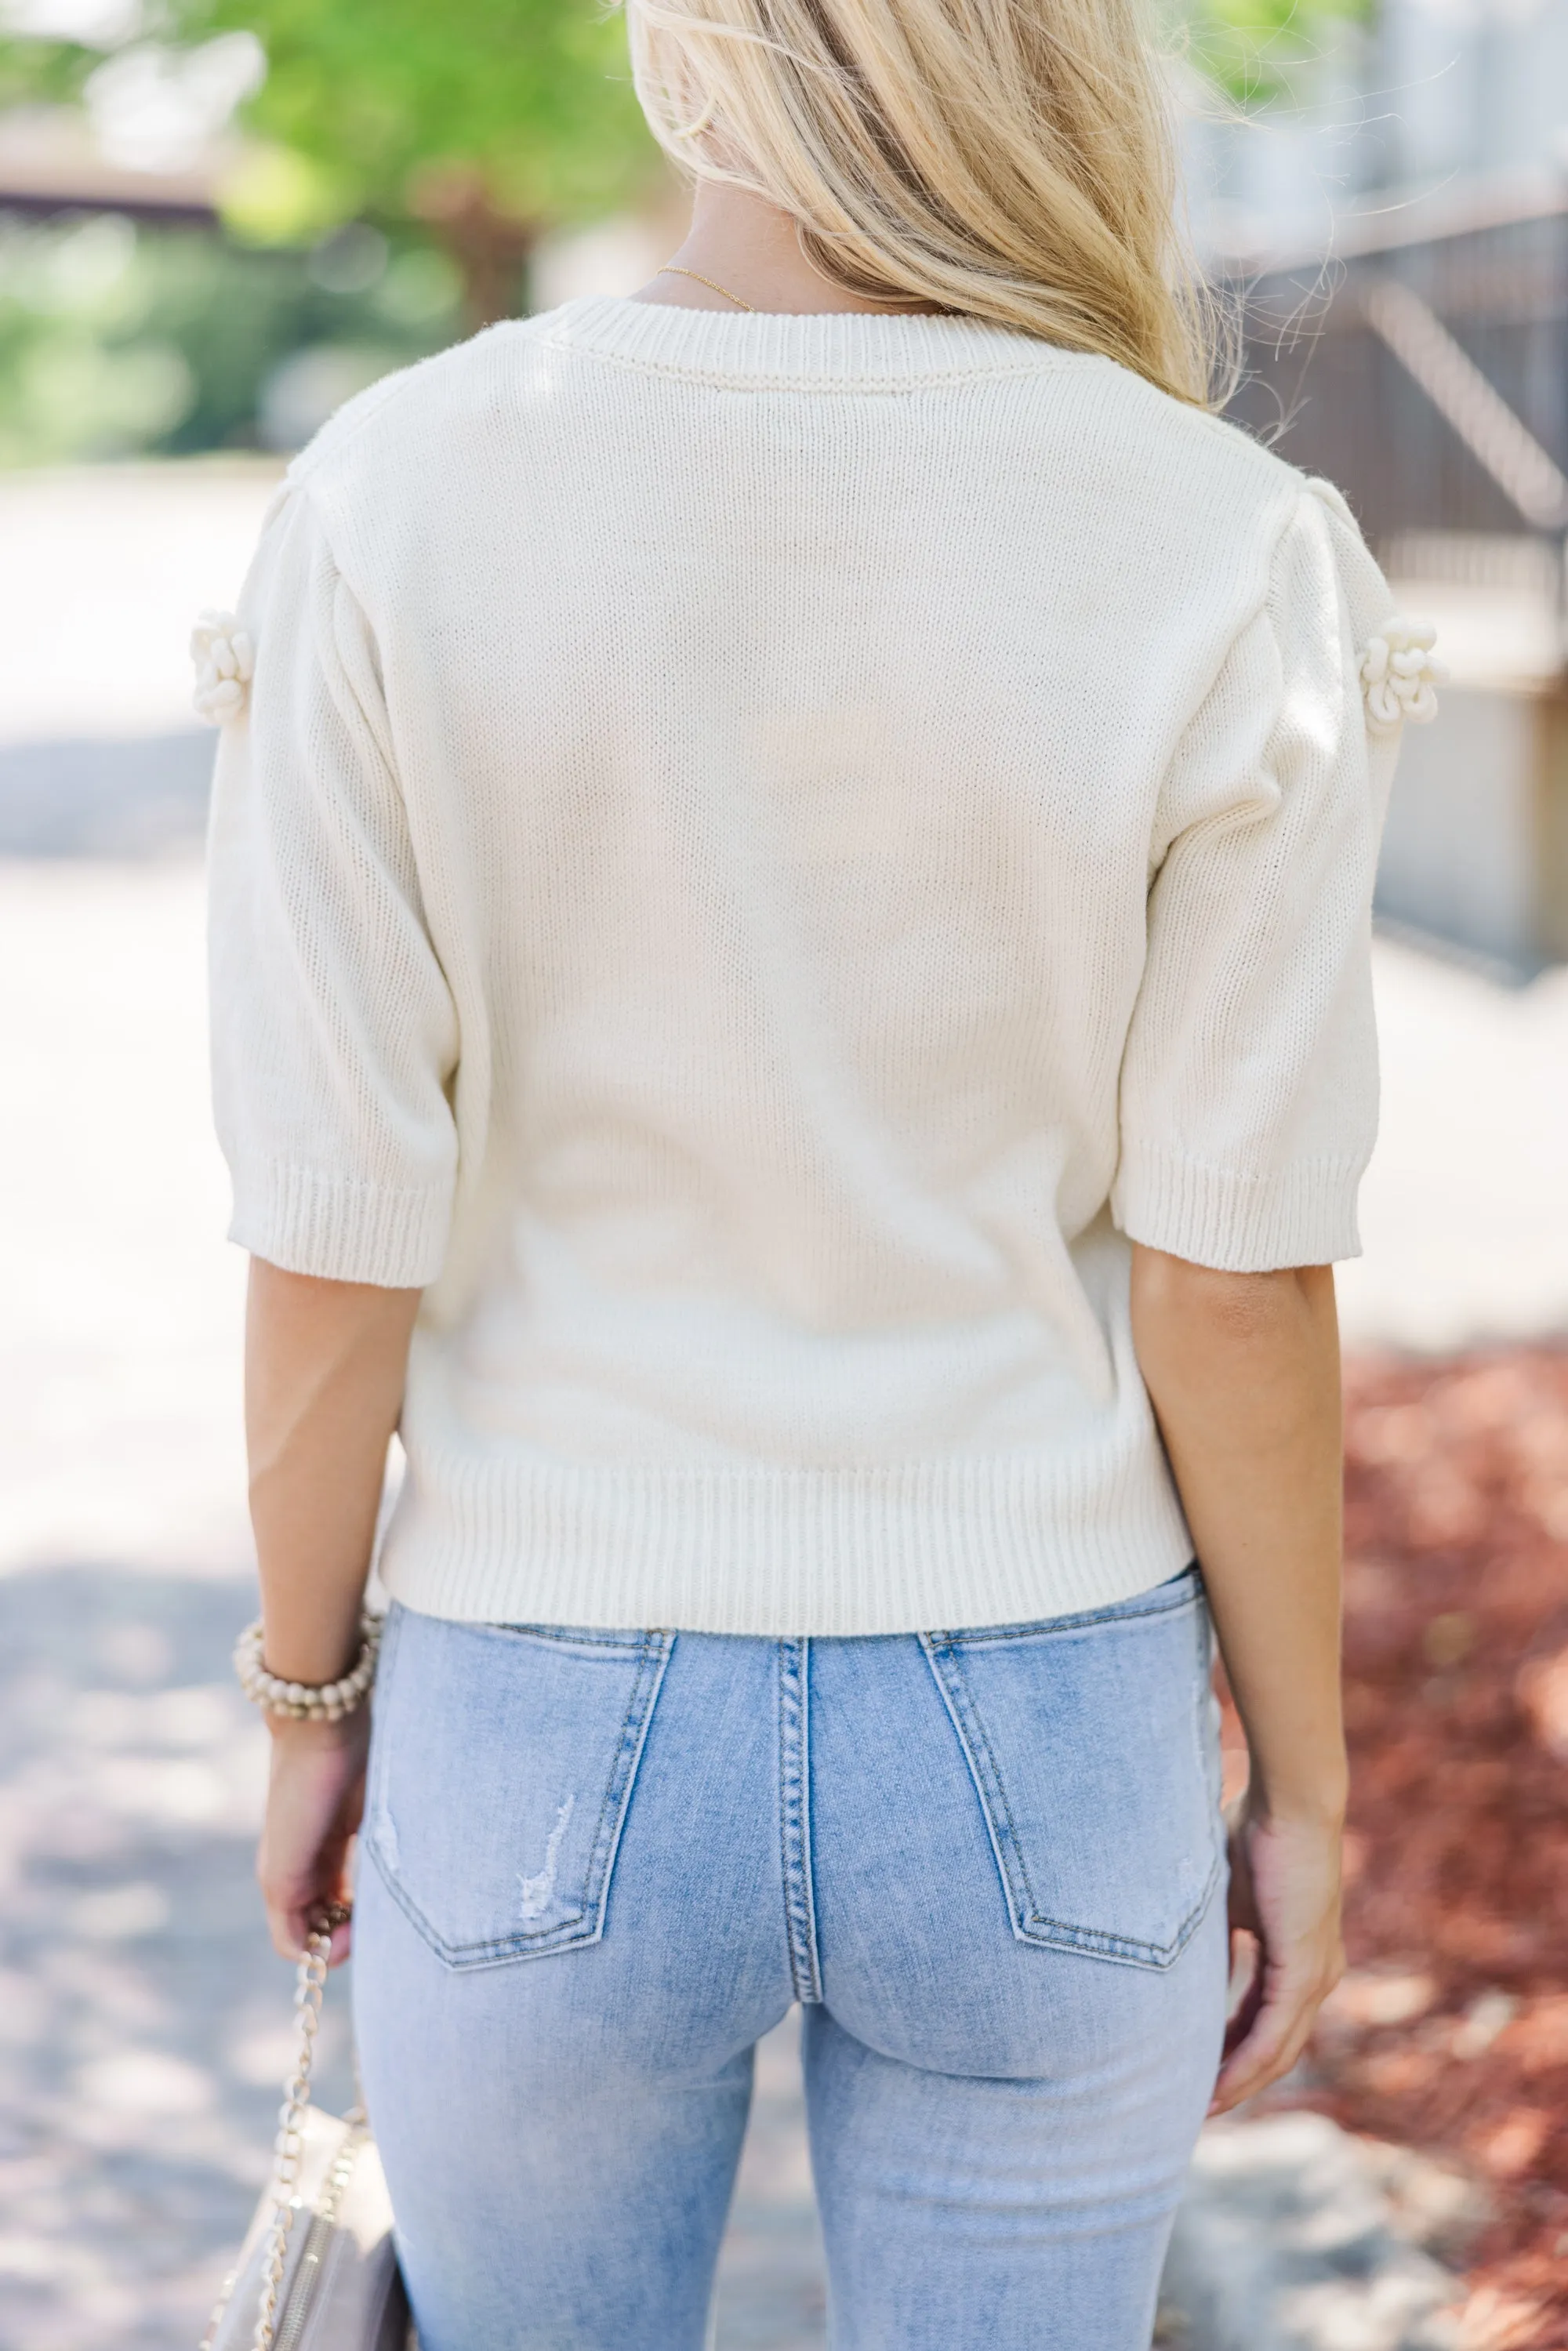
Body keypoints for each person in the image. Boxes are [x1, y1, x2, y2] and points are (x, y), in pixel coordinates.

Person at [204, 1, 1440, 2343]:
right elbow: (1232, 1280)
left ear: (687, 51)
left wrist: (307, 1701)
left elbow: (329, 1238)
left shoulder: (393, 493)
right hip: (1050, 1717)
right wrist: (1302, 1781)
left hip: (540, 1705)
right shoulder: (1228, 539)